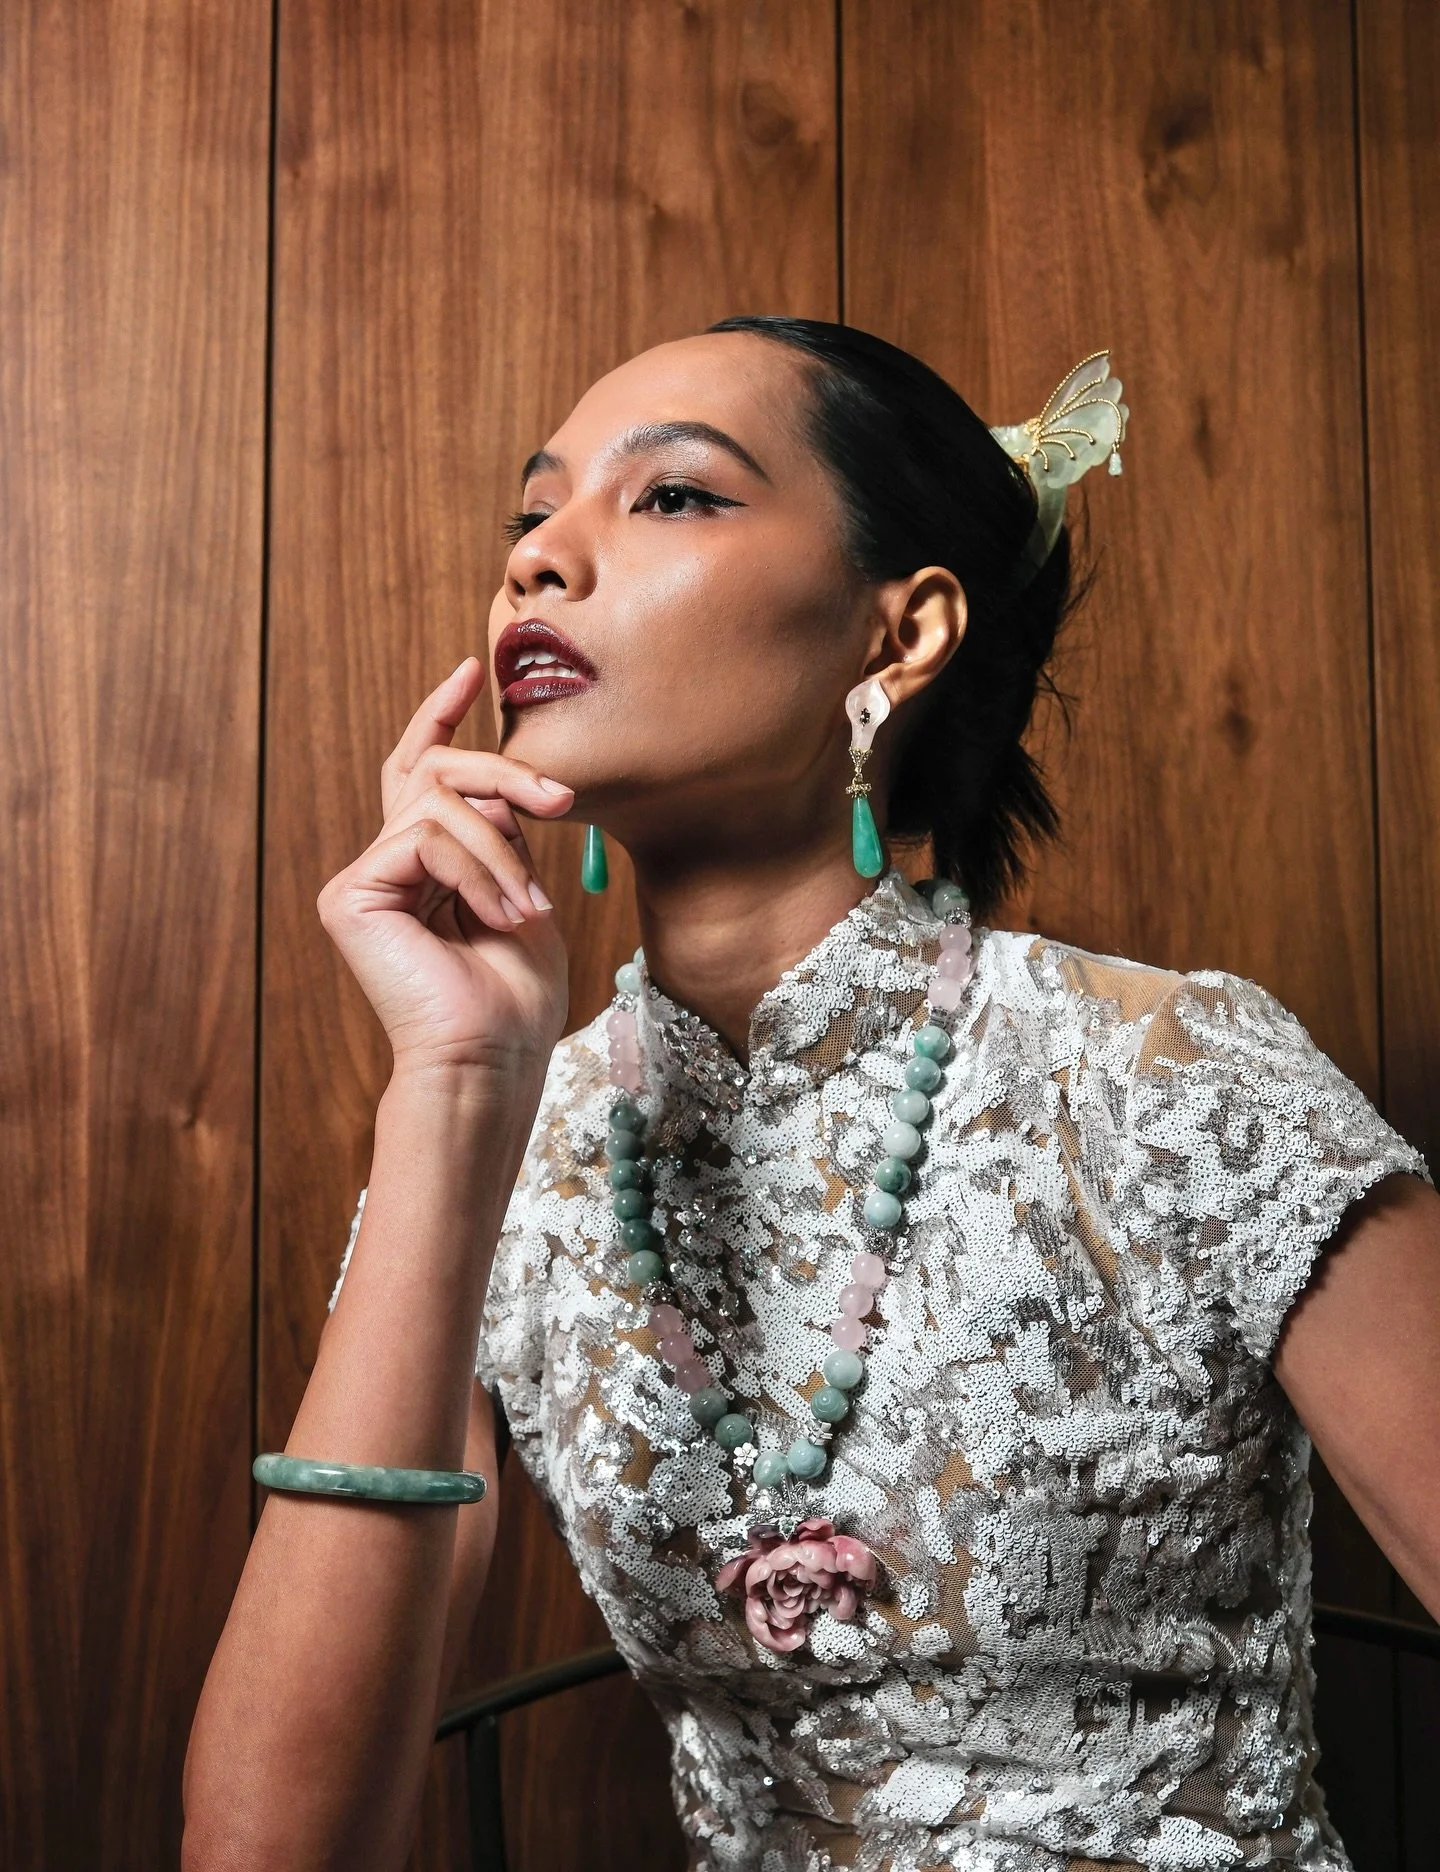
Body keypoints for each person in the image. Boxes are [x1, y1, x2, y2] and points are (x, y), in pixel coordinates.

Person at [183, 318, 1440, 1872]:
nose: (540, 565)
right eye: (533, 514)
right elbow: (266, 1856)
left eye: (671, 499)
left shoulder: (1171, 1078)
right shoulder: (510, 1144)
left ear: (898, 635)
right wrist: (455, 1085)